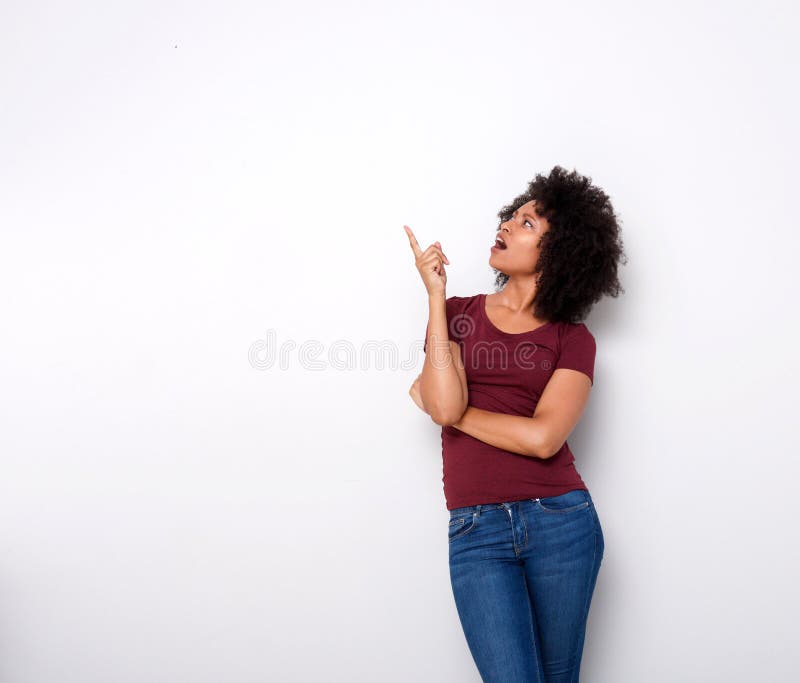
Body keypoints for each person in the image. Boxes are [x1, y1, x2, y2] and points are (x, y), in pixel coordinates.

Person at [403, 165, 627, 683]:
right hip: (476, 531)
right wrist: (435, 296)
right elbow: (440, 403)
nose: (505, 225)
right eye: (512, 216)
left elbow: (545, 438)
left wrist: (455, 413)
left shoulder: (573, 339)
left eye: (527, 223)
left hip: (561, 522)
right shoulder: (456, 315)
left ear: (558, 253)